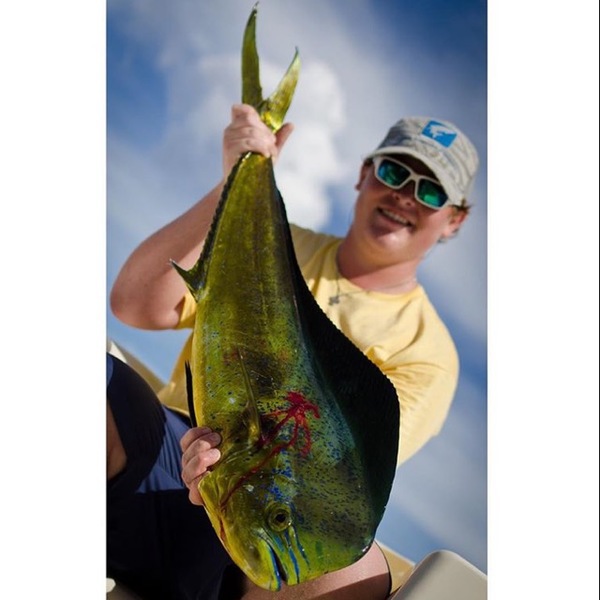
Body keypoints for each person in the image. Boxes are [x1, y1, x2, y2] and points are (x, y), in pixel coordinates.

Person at [108, 104, 479, 599]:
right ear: (364, 174)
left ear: (454, 219)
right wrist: (235, 182)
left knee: (356, 571)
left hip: (255, 539)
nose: (404, 195)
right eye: (394, 172)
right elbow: (134, 304)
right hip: (162, 460)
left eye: (430, 191)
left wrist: (232, 478)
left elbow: (332, 481)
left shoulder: (427, 353)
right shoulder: (266, 242)